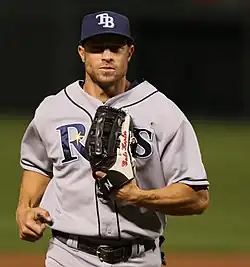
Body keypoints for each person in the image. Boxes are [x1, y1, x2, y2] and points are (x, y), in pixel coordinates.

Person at [16, 11, 210, 267]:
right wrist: (25, 208)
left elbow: (197, 197)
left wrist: (137, 196)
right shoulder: (53, 110)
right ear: (82, 53)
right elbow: (38, 167)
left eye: (115, 48)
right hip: (68, 256)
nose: (107, 56)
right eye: (97, 49)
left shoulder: (163, 112)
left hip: (139, 258)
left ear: (129, 52)